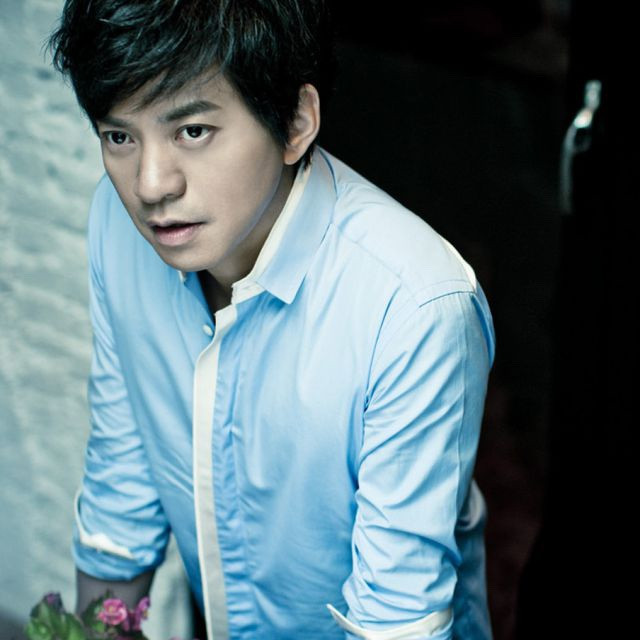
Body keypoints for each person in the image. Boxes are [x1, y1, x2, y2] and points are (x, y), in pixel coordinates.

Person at [49, 1, 495, 638]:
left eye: (192, 131)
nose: (150, 186)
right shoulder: (117, 227)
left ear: (294, 122)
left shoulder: (414, 306)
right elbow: (121, 489)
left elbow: (395, 620)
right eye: (119, 137)